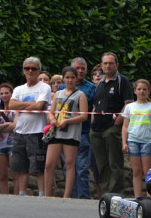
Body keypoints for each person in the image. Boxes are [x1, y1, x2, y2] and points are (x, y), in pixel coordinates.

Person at [90, 52, 133, 194]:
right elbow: (96, 105)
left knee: (114, 163)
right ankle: (105, 193)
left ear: (117, 65)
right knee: (101, 164)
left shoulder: (122, 81)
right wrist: (92, 121)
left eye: (111, 63)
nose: (108, 66)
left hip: (112, 128)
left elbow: (128, 103)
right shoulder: (100, 83)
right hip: (96, 129)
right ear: (101, 65)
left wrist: (118, 121)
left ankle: (115, 194)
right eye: (105, 63)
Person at [9, 57, 52, 196]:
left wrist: (22, 106)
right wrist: (31, 104)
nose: (30, 71)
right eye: (27, 68)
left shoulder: (44, 87)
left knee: (39, 166)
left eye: (34, 68)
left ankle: (42, 194)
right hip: (20, 131)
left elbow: (39, 106)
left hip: (37, 131)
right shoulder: (18, 89)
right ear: (23, 70)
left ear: (39, 70)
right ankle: (22, 193)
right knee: (21, 166)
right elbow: (11, 105)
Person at [45, 66, 89, 198]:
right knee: (49, 164)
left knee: (70, 163)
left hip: (71, 133)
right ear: (63, 79)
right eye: (67, 77)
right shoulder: (58, 94)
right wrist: (52, 119)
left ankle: (66, 195)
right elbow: (51, 112)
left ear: (76, 79)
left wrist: (68, 121)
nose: (70, 80)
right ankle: (47, 195)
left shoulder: (80, 95)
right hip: (57, 132)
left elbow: (84, 116)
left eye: (72, 77)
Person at [62, 57, 97, 199]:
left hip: (83, 132)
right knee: (67, 167)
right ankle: (71, 196)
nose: (80, 71)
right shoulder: (61, 88)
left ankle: (83, 198)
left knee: (82, 168)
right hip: (65, 133)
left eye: (83, 68)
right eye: (77, 68)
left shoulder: (92, 88)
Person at [122, 79, 151, 197]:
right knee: (136, 171)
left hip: (148, 142)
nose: (142, 91)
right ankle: (137, 197)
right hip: (133, 141)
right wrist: (124, 142)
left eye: (144, 89)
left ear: (149, 91)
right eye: (139, 89)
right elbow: (125, 126)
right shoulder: (129, 107)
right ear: (135, 91)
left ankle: (150, 196)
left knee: (148, 172)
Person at [0, 83, 17, 195]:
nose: (4, 95)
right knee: (2, 175)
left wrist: (1, 127)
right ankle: (4, 196)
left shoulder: (15, 109)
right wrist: (6, 125)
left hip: (14, 143)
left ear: (11, 94)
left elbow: (15, 126)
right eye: (2, 93)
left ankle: (18, 197)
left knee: (15, 174)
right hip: (0, 144)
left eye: (6, 93)